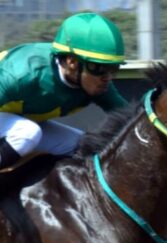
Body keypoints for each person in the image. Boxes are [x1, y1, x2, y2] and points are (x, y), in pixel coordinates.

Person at [0, 12, 127, 172]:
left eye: (113, 69)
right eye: (100, 68)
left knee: (83, 145)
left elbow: (130, 119)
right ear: (72, 62)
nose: (107, 77)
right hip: (16, 122)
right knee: (26, 133)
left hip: (16, 120)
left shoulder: (97, 83)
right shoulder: (21, 75)